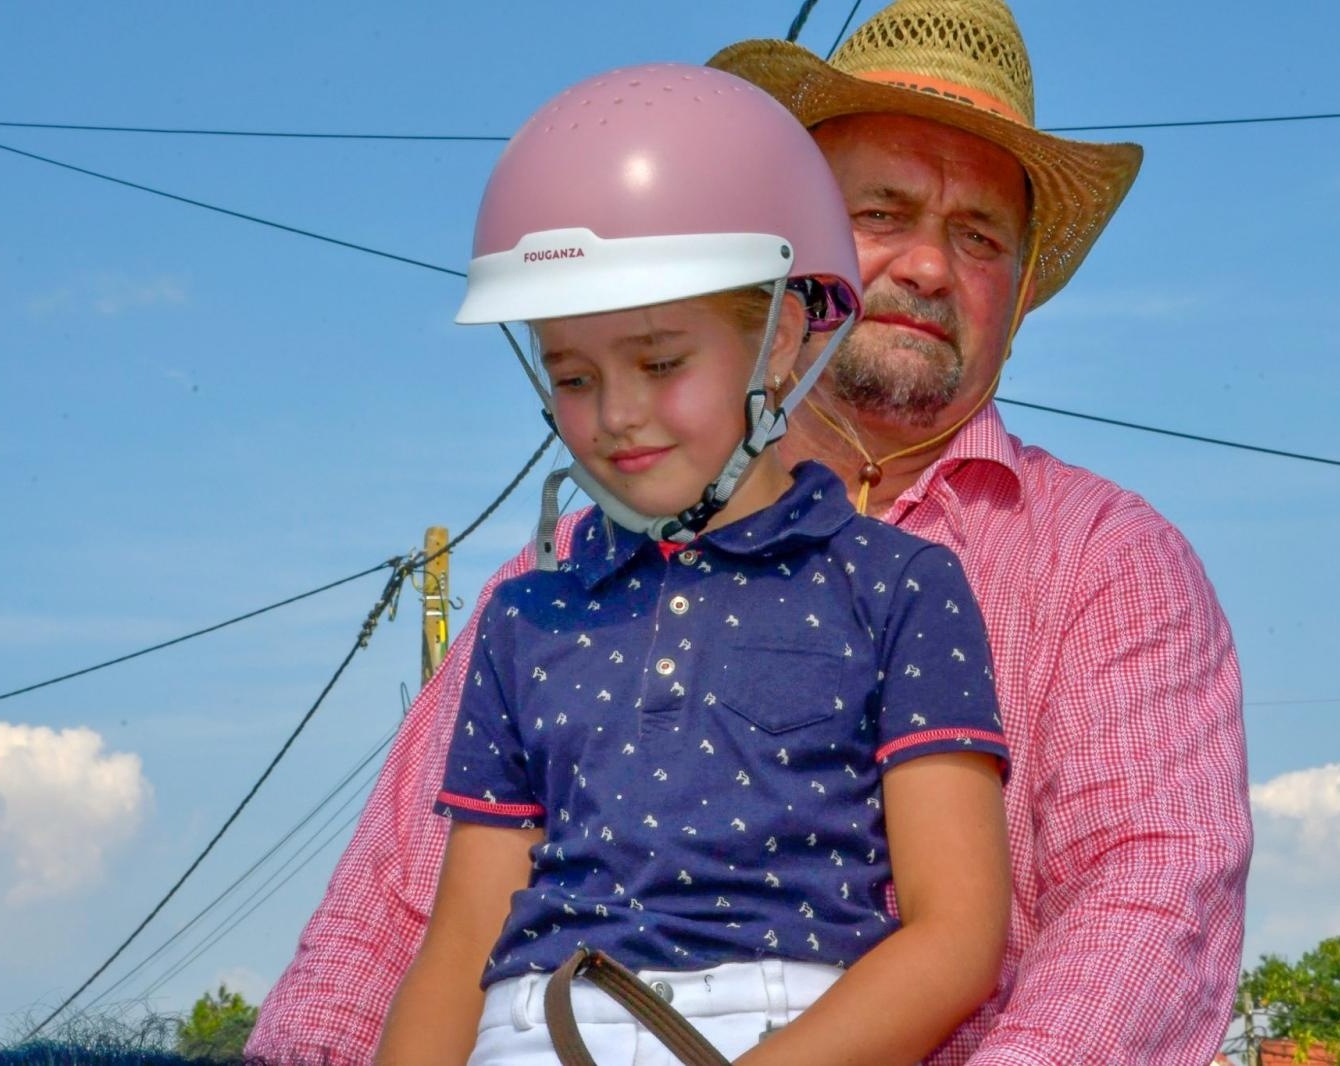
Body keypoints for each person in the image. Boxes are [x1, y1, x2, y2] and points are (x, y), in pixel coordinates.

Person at [249, 1, 1252, 1062]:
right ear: (793, 264)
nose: (924, 266)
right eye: (885, 211)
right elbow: (396, 922)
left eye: (978, 236)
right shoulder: (554, 583)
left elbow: (1149, 902)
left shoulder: (1109, 562)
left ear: (1020, 286)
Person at [372, 62, 1011, 1066]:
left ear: (784, 339)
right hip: (532, 1029)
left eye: (661, 361)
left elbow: (957, 935)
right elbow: (460, 944)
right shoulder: (524, 616)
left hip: (782, 1035)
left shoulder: (898, 588)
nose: (615, 413)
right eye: (572, 375)